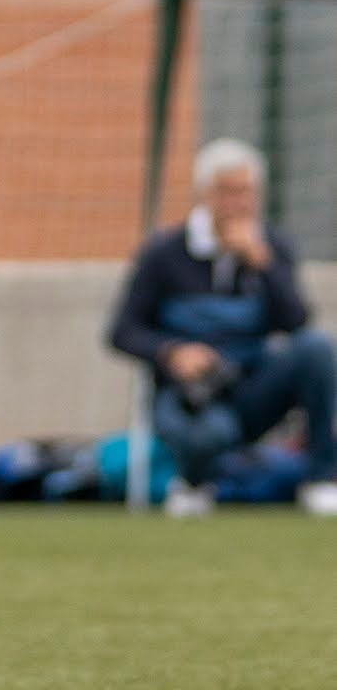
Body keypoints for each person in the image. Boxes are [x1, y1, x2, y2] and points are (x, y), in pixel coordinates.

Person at [107, 137, 337, 518]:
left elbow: (295, 322)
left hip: (254, 386)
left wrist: (263, 266)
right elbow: (122, 330)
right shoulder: (165, 252)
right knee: (208, 435)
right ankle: (194, 482)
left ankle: (321, 479)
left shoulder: (273, 247)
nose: (237, 203)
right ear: (204, 194)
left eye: (245, 193)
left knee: (317, 348)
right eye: (226, 192)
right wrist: (172, 353)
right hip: (193, 395)